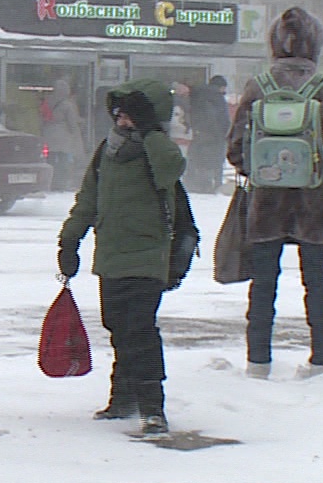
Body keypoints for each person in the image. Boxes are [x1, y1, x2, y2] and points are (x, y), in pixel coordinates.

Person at [226, 8, 323, 378]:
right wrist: (318, 175)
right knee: (317, 283)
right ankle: (322, 360)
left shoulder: (258, 87)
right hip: (312, 205)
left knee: (263, 283)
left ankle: (258, 362)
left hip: (266, 204)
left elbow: (235, 147)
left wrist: (263, 175)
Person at [57, 79, 187, 436]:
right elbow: (88, 200)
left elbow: (172, 168)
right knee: (117, 327)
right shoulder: (107, 151)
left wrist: (150, 132)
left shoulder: (158, 149)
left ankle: (152, 406)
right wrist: (69, 241)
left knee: (140, 331)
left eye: (132, 115)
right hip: (112, 255)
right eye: (120, 114)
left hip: (148, 255)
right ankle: (124, 399)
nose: (123, 121)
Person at [185, 75, 231, 193]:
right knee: (213, 161)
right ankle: (210, 187)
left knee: (198, 160)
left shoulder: (199, 96)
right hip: (214, 136)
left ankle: (195, 185)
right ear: (220, 87)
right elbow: (216, 118)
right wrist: (220, 133)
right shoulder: (216, 97)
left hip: (199, 134)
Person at [41, 78, 88, 192]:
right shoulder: (67, 105)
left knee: (50, 160)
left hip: (48, 134)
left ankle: (49, 183)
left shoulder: (47, 101)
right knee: (63, 161)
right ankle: (61, 184)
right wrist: (79, 129)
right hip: (63, 137)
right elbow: (72, 122)